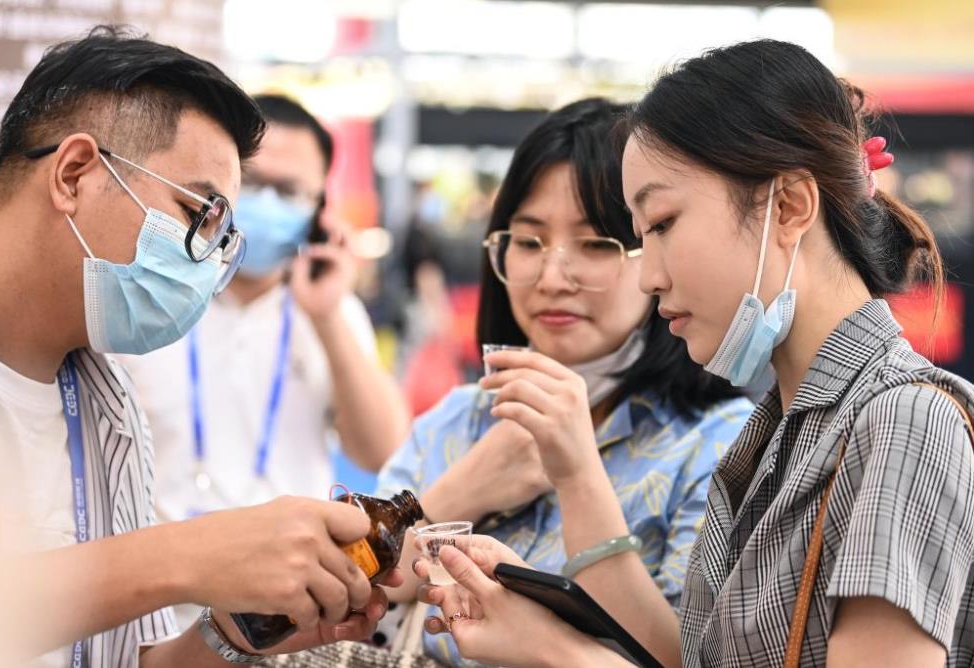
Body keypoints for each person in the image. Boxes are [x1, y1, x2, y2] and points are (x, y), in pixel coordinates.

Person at [415, 39, 974, 668]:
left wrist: (557, 651)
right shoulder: (773, 435)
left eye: (662, 224)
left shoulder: (903, 421)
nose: (648, 276)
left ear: (789, 206)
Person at [0, 27, 399, 667]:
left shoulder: (108, 407)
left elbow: (127, 658)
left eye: (220, 235)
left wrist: (230, 635)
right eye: (196, 212)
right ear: (73, 173)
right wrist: (188, 556)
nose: (205, 259)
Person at [375, 98, 754, 665]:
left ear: (656, 254)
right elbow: (347, 595)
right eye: (529, 242)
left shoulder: (720, 446)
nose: (552, 277)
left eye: (596, 244)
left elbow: (695, 657)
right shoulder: (459, 418)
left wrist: (578, 474)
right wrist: (463, 492)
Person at [120, 94, 409, 531]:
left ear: (319, 208)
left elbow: (381, 450)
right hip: (160, 567)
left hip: (294, 569)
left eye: (289, 192)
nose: (268, 203)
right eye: (252, 183)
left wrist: (327, 316)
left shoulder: (333, 312)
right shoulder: (150, 289)